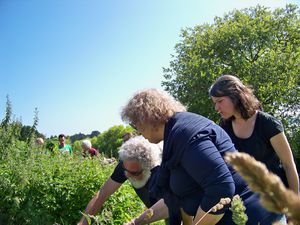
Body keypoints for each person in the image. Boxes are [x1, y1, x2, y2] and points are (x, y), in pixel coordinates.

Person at [121, 88, 283, 225]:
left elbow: (221, 189)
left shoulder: (185, 134)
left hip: (253, 217)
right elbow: (176, 198)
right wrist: (136, 222)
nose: (138, 131)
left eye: (136, 124)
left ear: (148, 118)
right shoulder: (176, 134)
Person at [209, 75, 299, 195]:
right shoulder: (224, 127)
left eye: (220, 101)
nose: (217, 108)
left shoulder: (268, 123)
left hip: (276, 196)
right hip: (246, 199)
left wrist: (294, 206)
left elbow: (289, 165)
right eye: (215, 103)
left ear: (235, 96)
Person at [77, 135, 166, 225]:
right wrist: (83, 222)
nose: (128, 175)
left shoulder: (160, 170)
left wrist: (134, 222)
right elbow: (102, 193)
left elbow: (169, 204)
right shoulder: (126, 165)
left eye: (134, 173)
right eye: (126, 170)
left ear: (148, 168)